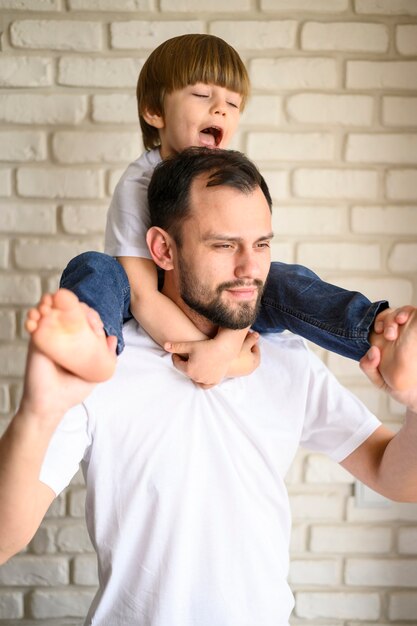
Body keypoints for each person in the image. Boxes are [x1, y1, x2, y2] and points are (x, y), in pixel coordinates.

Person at [2, 148, 417, 626]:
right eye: (224, 245)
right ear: (163, 250)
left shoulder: (284, 358)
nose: (250, 269)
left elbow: (395, 477)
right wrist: (37, 411)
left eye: (261, 244)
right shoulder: (101, 360)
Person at [31, 33, 400, 386]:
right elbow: (143, 295)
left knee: (286, 277)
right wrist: (223, 361)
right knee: (95, 268)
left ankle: (376, 334)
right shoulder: (137, 183)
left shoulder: (229, 179)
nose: (220, 108)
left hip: (216, 295)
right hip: (151, 298)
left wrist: (225, 348)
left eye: (234, 103)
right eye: (201, 94)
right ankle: (93, 343)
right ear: (155, 111)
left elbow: (247, 279)